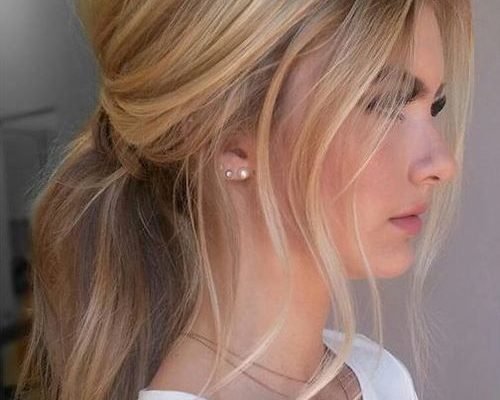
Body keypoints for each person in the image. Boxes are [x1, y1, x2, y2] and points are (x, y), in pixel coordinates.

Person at [15, 0, 473, 399]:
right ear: (230, 141)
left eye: (434, 107)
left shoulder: (378, 375)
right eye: (386, 104)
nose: (442, 163)